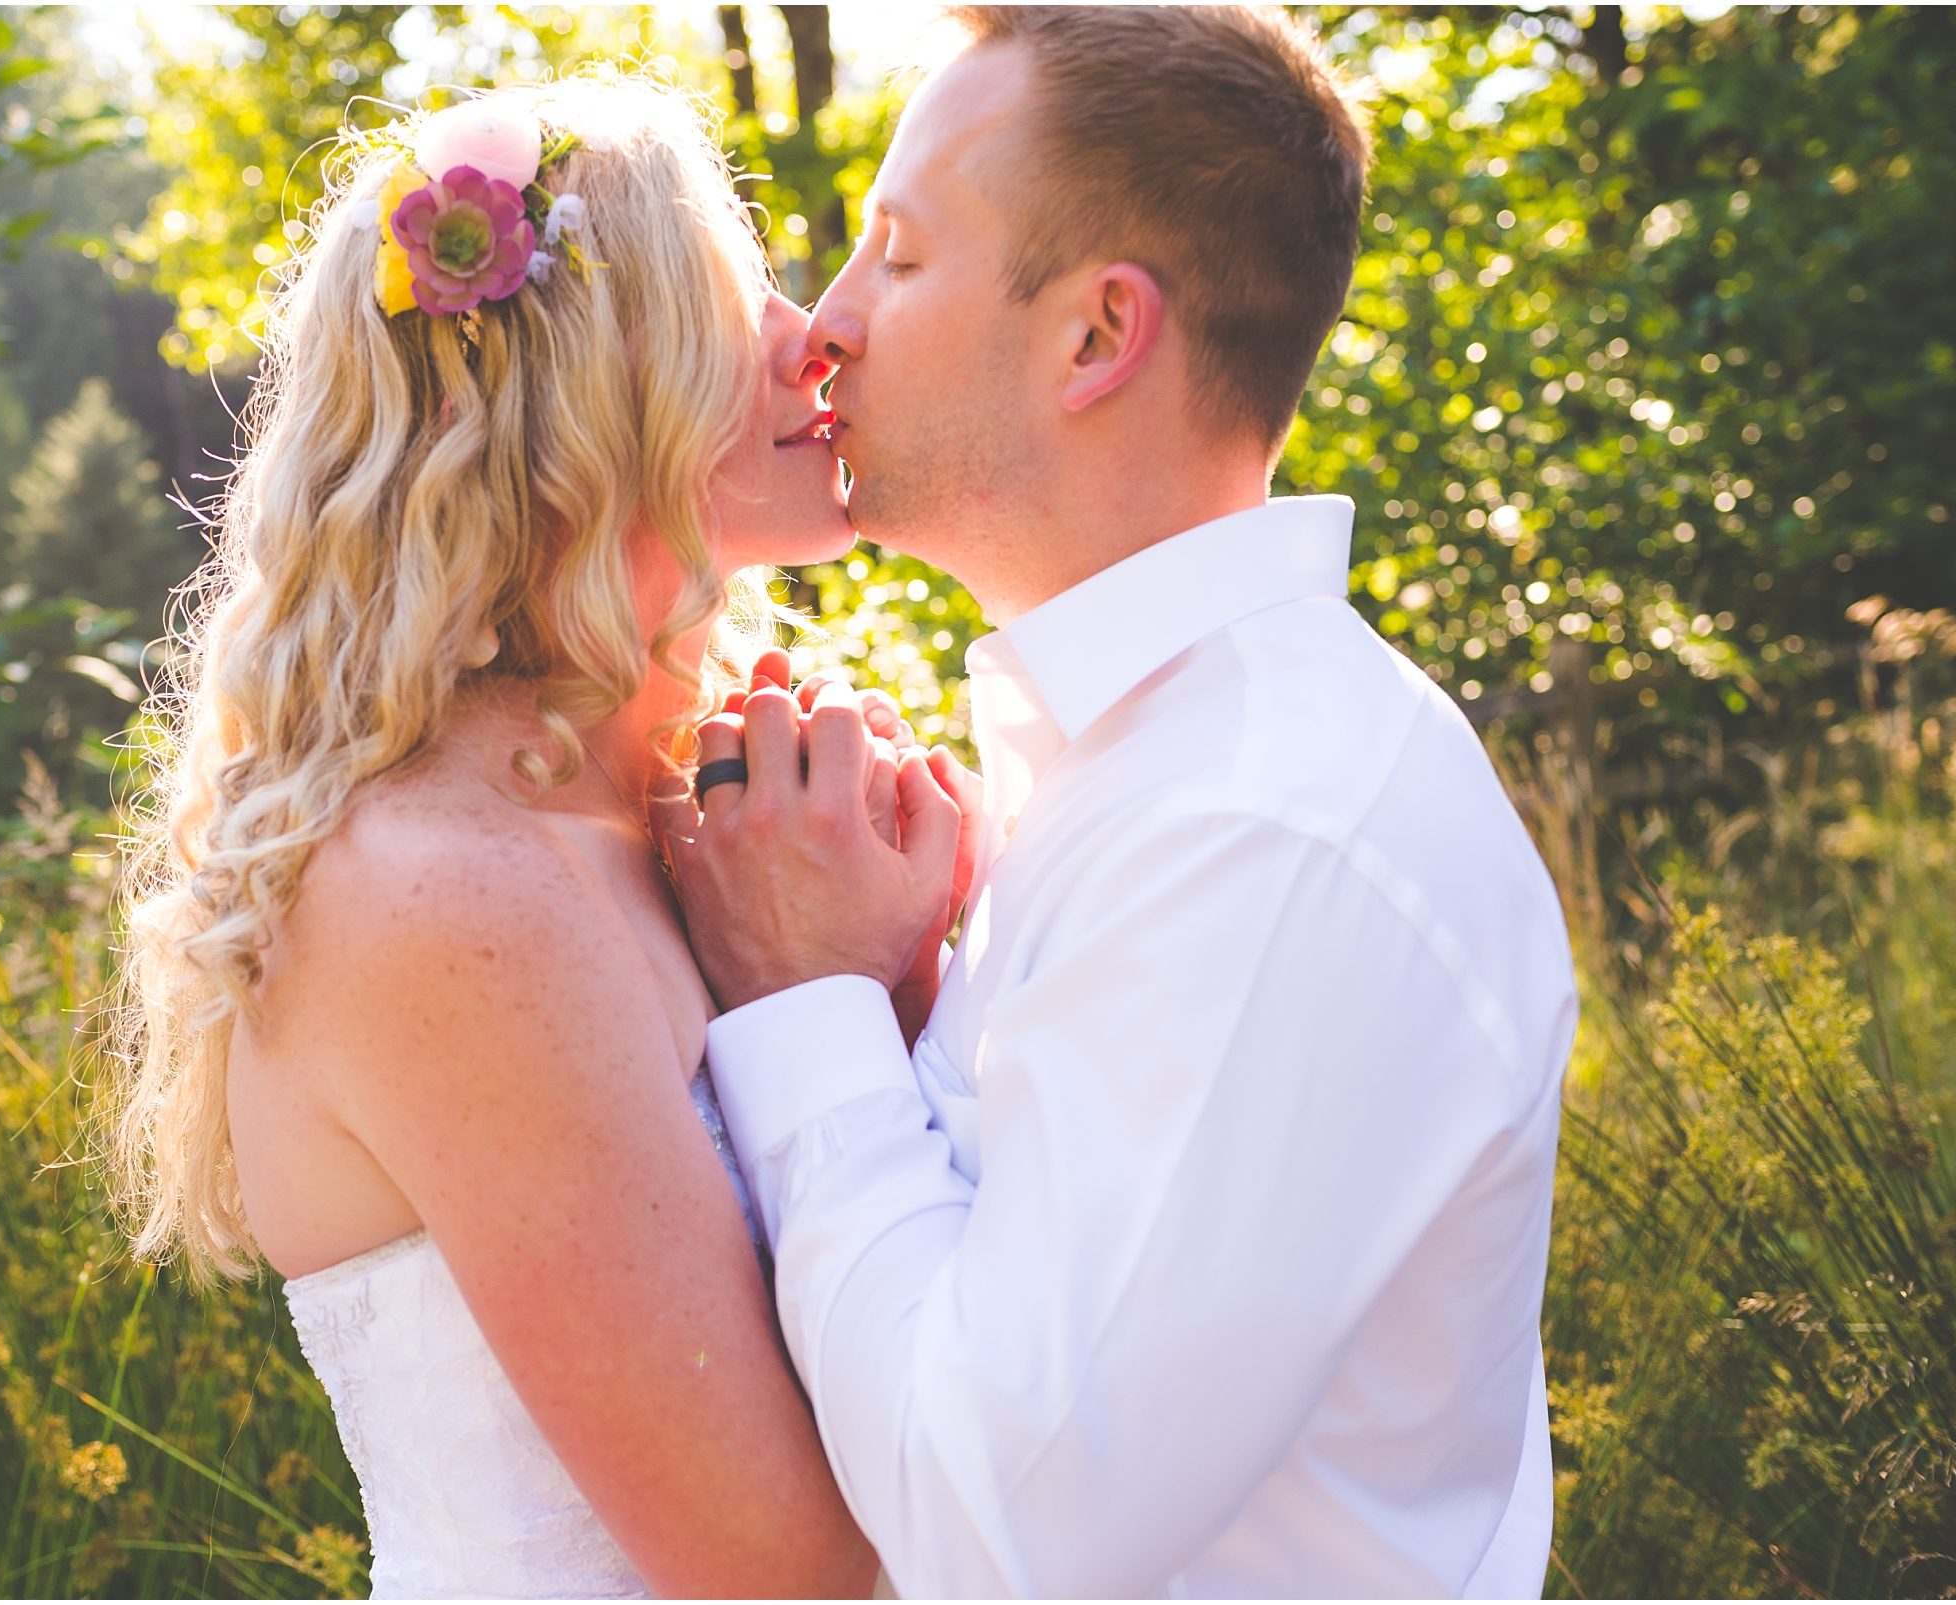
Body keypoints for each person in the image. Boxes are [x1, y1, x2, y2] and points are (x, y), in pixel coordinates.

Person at [668, 8, 1578, 1597]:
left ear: (1097, 336)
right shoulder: (1141, 768)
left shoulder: (1258, 829)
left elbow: (996, 1531)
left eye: (897, 249)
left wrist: (806, 1004)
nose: (824, 322)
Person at [106, 78, 884, 1599]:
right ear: (569, 388)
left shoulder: (680, 803)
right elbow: (781, 1568)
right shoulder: (443, 895)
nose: (817, 338)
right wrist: (834, 992)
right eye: (735, 301)